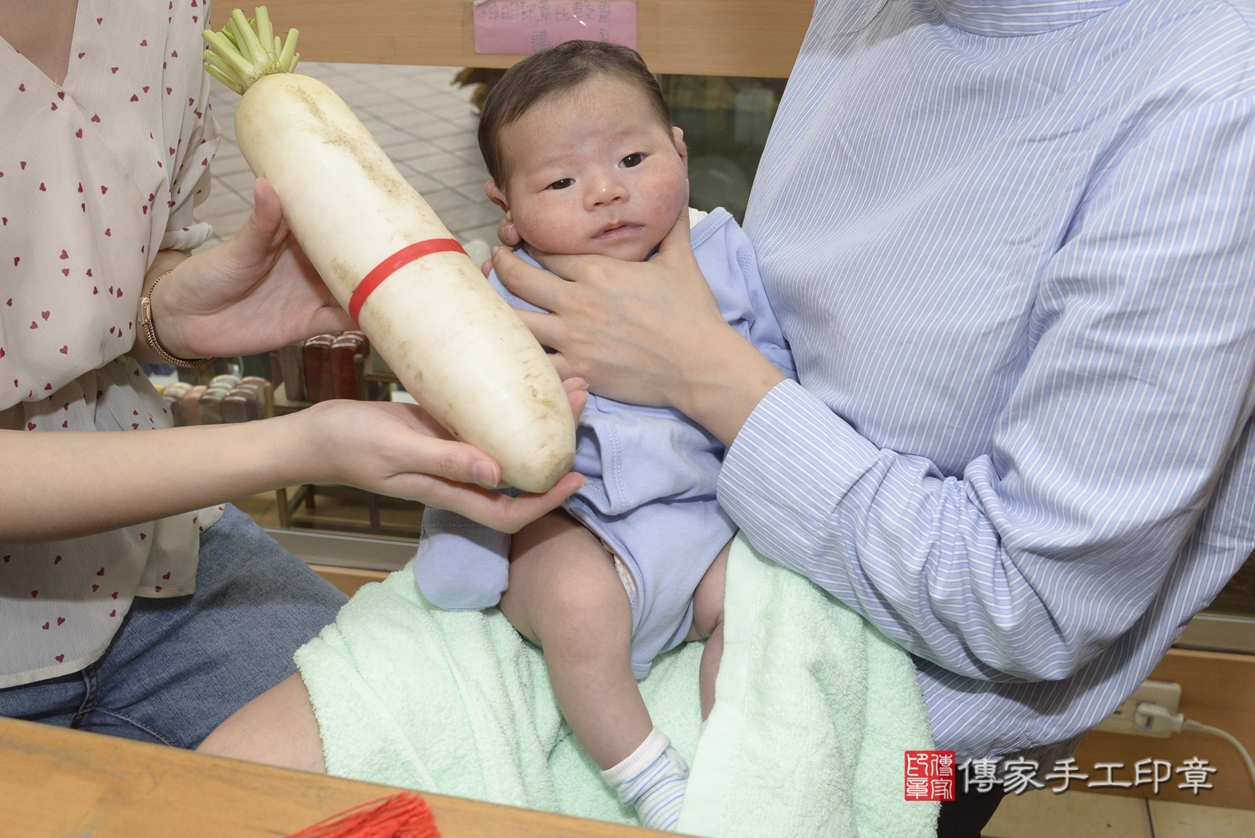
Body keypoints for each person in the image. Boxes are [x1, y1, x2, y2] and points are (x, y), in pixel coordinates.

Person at [480, 0, 1255, 834]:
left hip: (894, 725)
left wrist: (700, 370)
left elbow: (1027, 607)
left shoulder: (1209, 104)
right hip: (700, 589)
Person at [0, 0, 582, 752]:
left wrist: (169, 312)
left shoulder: (164, 10)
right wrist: (303, 445)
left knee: (470, 748)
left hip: (153, 560)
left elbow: (106, 281)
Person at [408, 41, 793, 831]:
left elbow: (780, 382)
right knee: (579, 605)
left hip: (706, 525)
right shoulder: (505, 290)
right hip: (579, 524)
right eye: (560, 181)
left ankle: (737, 759)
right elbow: (463, 426)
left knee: (764, 605)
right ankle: (647, 776)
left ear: (679, 149)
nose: (607, 192)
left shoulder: (724, 250)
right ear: (506, 205)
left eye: (631, 156)